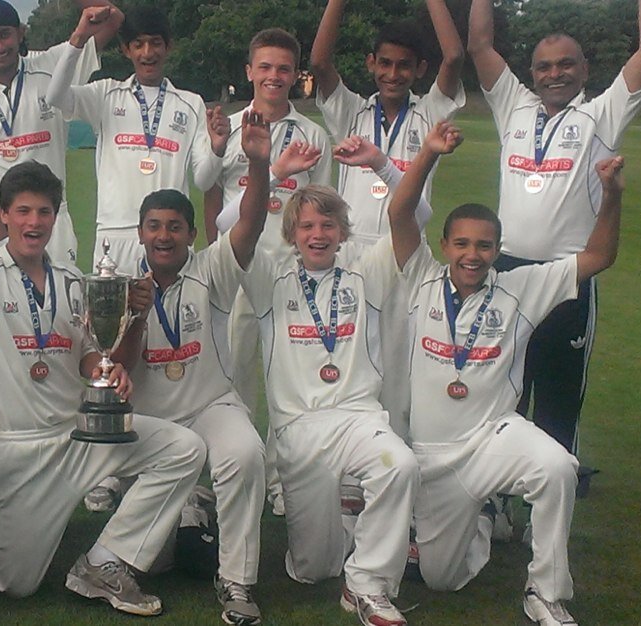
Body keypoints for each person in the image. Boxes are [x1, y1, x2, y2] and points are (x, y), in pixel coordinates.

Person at [0, 146, 206, 617]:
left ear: (56, 217)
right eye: (22, 211)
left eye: (44, 211)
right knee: (15, 585)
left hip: (82, 435)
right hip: (20, 449)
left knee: (183, 449)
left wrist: (107, 368)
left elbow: (84, 355)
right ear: (4, 215)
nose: (33, 222)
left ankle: (104, 563)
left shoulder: (69, 281)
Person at [381, 119, 625, 626]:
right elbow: (399, 210)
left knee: (558, 466)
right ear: (445, 245)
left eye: (486, 246)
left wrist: (610, 194)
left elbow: (599, 256)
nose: (474, 255)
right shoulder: (420, 278)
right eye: (463, 244)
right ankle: (479, 521)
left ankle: (546, 593)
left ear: (498, 249)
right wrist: (427, 153)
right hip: (431, 454)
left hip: (494, 438)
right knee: (443, 578)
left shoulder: (522, 287)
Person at [108, 111, 296, 626]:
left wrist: (259, 164)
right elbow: (116, 368)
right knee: (166, 562)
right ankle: (182, 514)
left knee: (244, 452)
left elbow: (251, 224)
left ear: (193, 233)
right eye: (154, 227)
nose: (164, 236)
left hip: (211, 403)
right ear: (140, 234)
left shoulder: (211, 266)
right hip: (152, 422)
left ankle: (236, 581)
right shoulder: (122, 286)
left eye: (175, 227)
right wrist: (137, 317)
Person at [222, 140, 423, 623]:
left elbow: (410, 218)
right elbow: (226, 226)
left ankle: (368, 585)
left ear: (342, 231)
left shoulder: (367, 269)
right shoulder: (270, 273)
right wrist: (272, 173)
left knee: (400, 465)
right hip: (299, 430)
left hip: (358, 419)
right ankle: (350, 517)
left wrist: (383, 164)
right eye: (307, 225)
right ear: (291, 232)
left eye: (328, 225)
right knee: (312, 569)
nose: (318, 234)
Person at [468, 0, 641, 487]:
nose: (554, 74)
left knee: (558, 397)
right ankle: (494, 497)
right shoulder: (512, 105)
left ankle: (548, 502)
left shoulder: (602, 113)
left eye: (566, 64)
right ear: (531, 72)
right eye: (544, 66)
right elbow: (479, 44)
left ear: (585, 70)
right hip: (506, 270)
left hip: (570, 275)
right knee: (501, 390)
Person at [311, 0, 464, 436]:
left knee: (397, 365)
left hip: (405, 251)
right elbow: (319, 60)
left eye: (403, 66)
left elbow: (454, 56)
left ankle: (393, 461)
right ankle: (345, 464)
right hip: (351, 251)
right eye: (385, 64)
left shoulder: (430, 113)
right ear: (371, 63)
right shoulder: (351, 111)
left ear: (419, 69)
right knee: (345, 357)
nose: (392, 74)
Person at [203, 27, 334, 517]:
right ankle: (233, 473)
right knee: (233, 376)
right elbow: (214, 205)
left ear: (295, 74)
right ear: (249, 71)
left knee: (287, 380)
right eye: (265, 67)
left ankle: (283, 479)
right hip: (237, 266)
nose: (273, 77)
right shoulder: (230, 126)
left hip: (288, 272)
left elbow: (319, 207)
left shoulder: (313, 133)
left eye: (283, 68)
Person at [46, 5, 227, 272]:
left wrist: (217, 148)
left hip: (169, 235)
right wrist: (79, 38)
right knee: (113, 314)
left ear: (168, 47)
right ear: (126, 49)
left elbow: (203, 179)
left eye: (155, 43)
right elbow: (55, 97)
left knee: (167, 314)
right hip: (115, 234)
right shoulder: (106, 94)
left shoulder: (191, 104)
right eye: (138, 44)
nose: (147, 53)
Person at [0, 0, 122, 265]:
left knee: (61, 302)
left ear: (21, 32)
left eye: (5, 34)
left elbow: (114, 18)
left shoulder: (53, 65)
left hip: (52, 219)